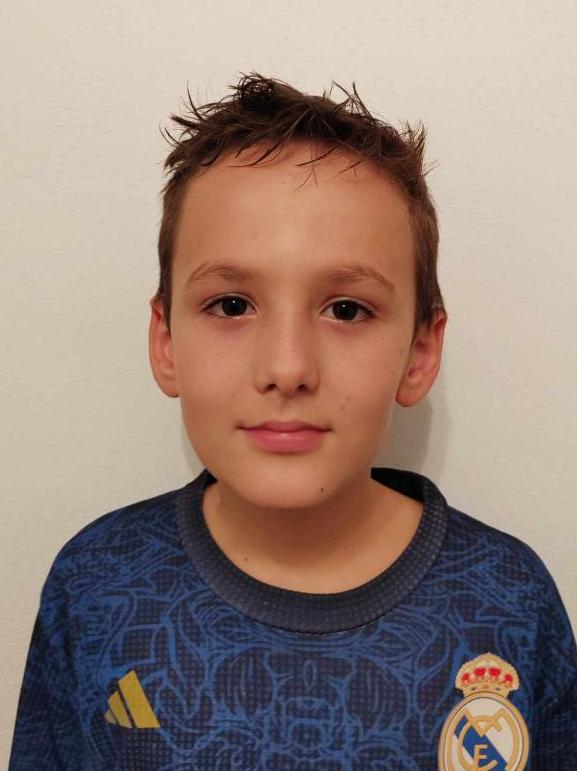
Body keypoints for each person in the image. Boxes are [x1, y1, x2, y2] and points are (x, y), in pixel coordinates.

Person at [8, 71, 577, 770]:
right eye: (231, 305)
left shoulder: (509, 600)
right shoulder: (96, 584)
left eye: (346, 310)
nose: (287, 367)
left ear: (419, 352)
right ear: (165, 342)